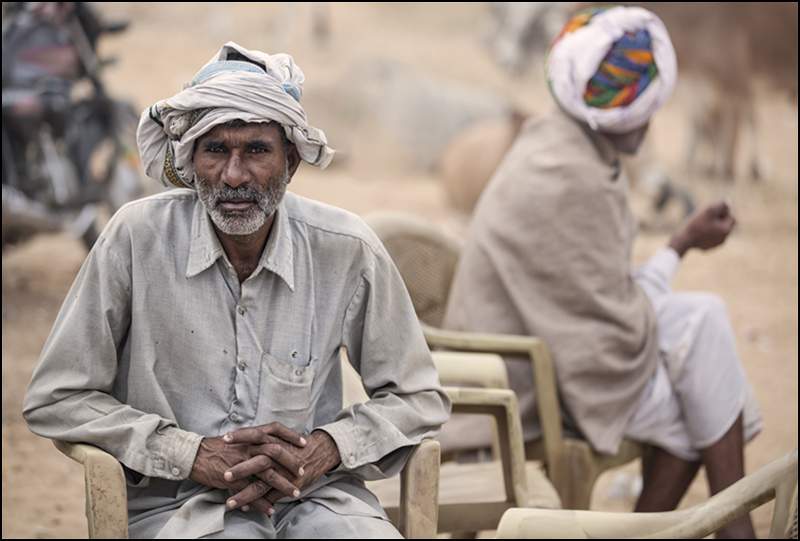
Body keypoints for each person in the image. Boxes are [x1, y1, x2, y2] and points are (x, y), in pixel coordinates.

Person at [23, 42, 450, 539]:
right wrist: (189, 453)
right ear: (190, 160)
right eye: (216, 150)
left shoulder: (345, 248)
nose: (233, 175)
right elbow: (56, 397)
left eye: (256, 150)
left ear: (290, 163)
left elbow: (419, 397)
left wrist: (328, 447)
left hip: (316, 498)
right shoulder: (135, 239)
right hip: (177, 505)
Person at [441, 7, 761, 537]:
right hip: (520, 388)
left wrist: (680, 243)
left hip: (543, 351)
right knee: (696, 389)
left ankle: (731, 522)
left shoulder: (560, 141)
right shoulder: (571, 177)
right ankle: (735, 523)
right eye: (644, 109)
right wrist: (679, 249)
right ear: (618, 114)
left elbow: (603, 299)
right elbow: (612, 319)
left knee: (703, 322)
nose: (650, 121)